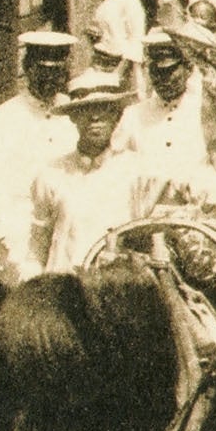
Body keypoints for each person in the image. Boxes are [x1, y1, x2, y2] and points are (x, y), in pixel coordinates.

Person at [25, 71, 160, 278]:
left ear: (117, 115)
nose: (95, 117)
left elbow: (153, 239)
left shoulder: (139, 171)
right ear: (73, 117)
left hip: (118, 290)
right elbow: (37, 246)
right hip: (65, 291)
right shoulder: (52, 174)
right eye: (85, 110)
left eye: (103, 108)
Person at [0, 31, 79, 304]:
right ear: (27, 69)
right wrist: (5, 239)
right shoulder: (4, 118)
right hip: (20, 233)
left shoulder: (74, 112)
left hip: (64, 230)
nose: (50, 79)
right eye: (42, 70)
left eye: (57, 71)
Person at [115, 29, 215, 191]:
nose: (163, 79)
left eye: (170, 71)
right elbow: (116, 164)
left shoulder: (205, 110)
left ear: (188, 68)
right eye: (156, 72)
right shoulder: (134, 115)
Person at [80, 0, 148, 87]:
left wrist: (118, 74)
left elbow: (136, 41)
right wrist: (93, 34)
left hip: (121, 67)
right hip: (98, 64)